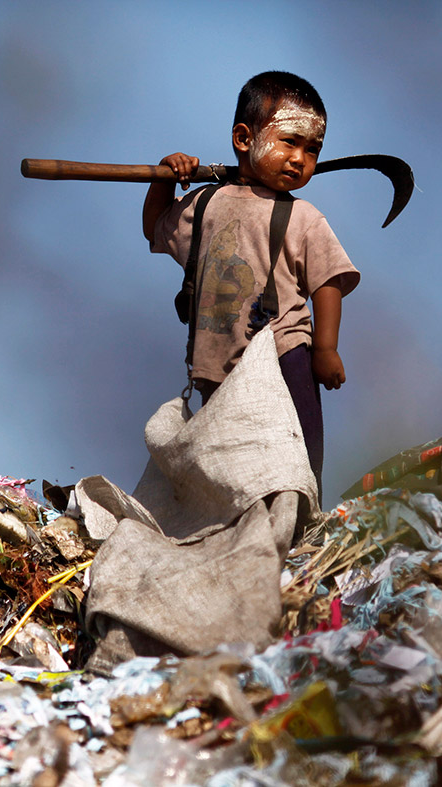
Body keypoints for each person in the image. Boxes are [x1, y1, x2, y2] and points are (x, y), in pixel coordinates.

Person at [142, 71, 359, 498]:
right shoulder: (204, 204)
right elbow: (155, 226)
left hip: (284, 353)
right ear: (244, 138)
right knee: (228, 463)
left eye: (312, 150)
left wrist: (326, 348)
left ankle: (304, 520)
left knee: (299, 448)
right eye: (289, 142)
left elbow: (327, 282)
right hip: (215, 364)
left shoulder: (304, 217)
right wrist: (165, 176)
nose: (300, 159)